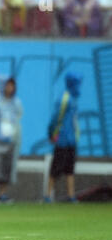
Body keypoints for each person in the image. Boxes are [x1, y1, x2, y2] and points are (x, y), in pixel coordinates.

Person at [45, 72, 83, 203]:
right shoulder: (64, 98)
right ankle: (48, 195)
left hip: (72, 140)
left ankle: (71, 195)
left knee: (70, 168)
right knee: (56, 167)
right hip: (62, 139)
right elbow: (56, 118)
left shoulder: (73, 98)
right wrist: (51, 133)